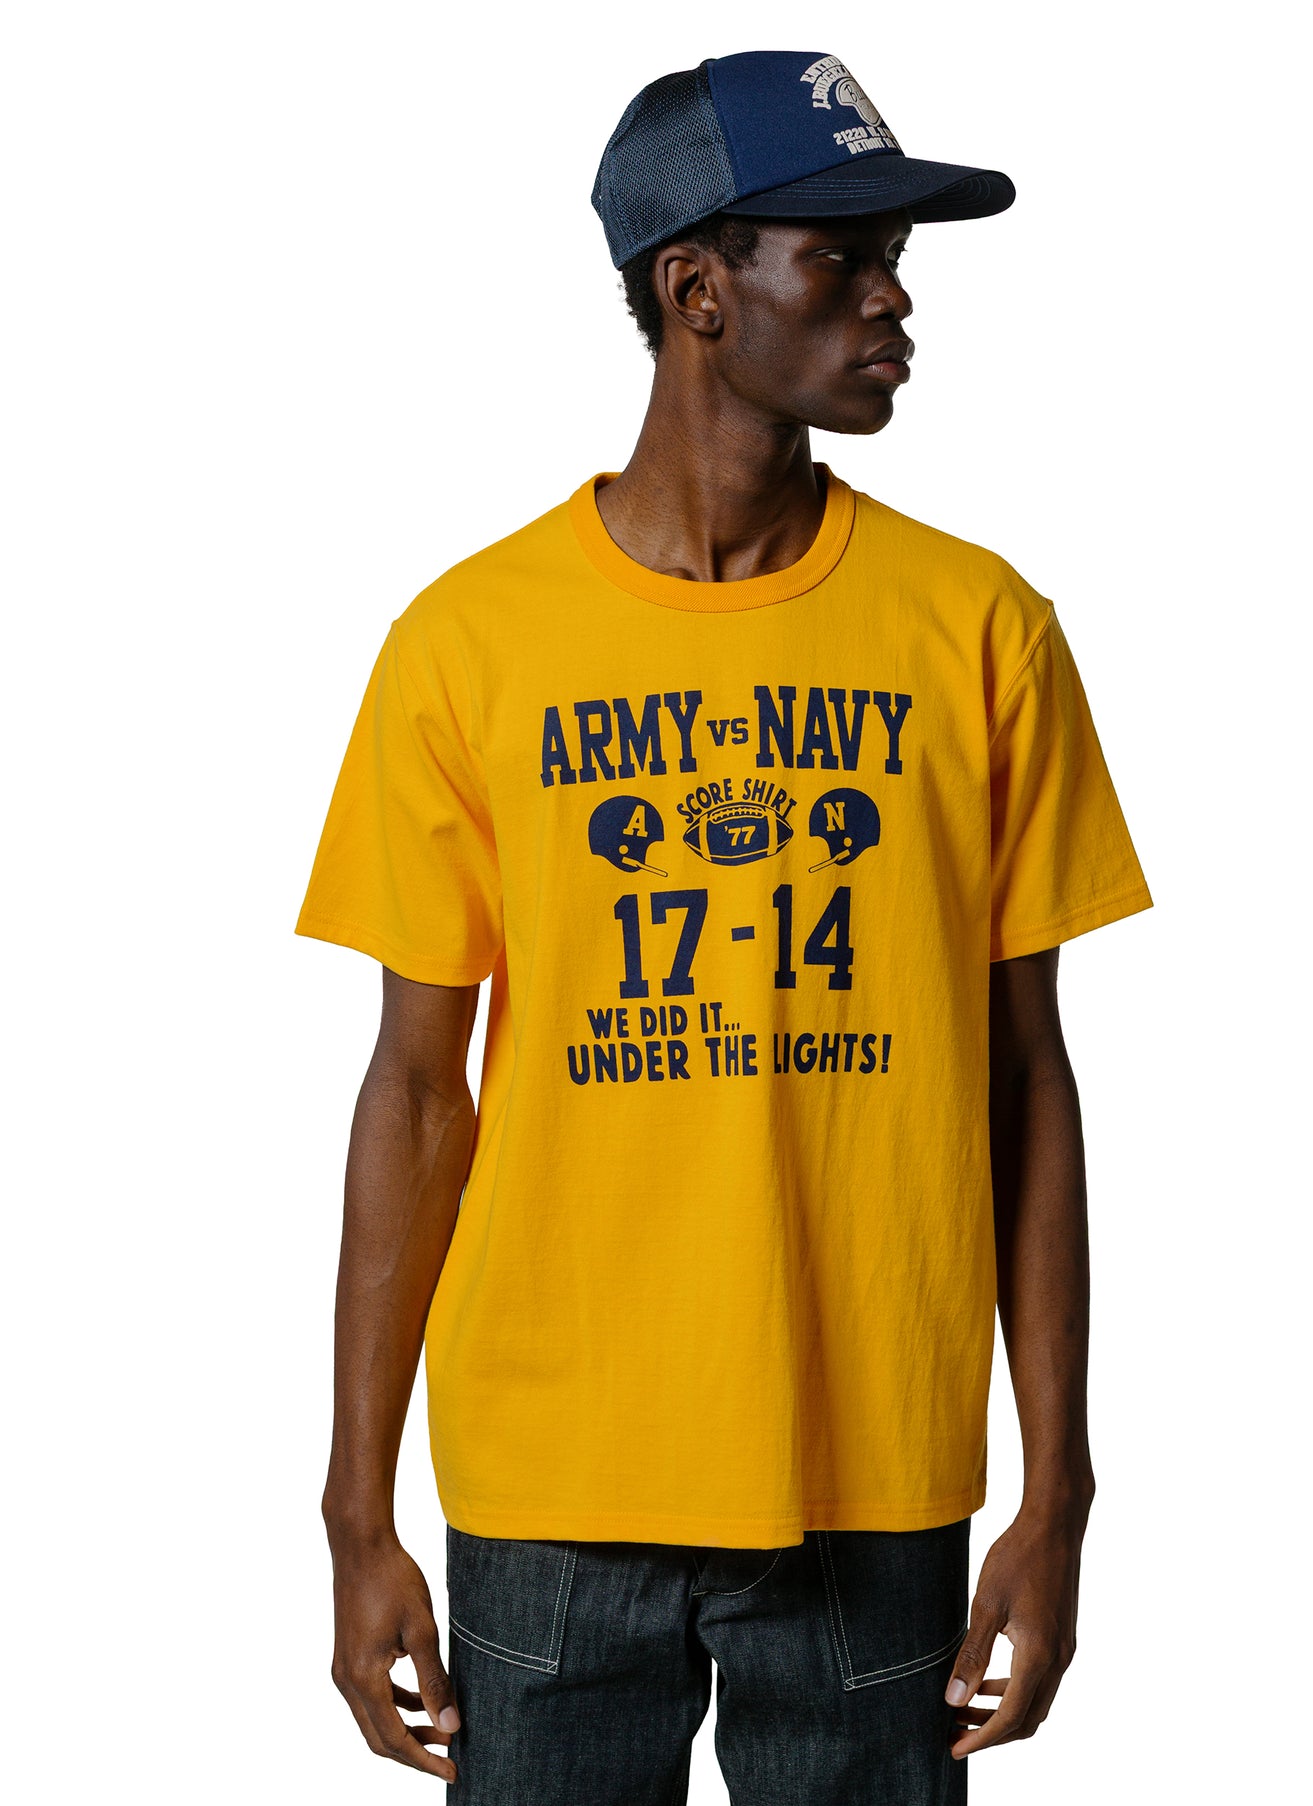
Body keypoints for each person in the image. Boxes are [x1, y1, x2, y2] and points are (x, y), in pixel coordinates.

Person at [296, 49, 1153, 1805]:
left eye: (892, 258)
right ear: (697, 289)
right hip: (550, 1479)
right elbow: (417, 1091)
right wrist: (352, 1511)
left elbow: (1027, 1084)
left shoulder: (978, 629)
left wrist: (1057, 1490)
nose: (893, 299)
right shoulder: (469, 644)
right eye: (838, 259)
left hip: (872, 1475)